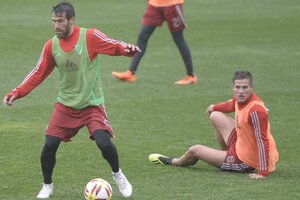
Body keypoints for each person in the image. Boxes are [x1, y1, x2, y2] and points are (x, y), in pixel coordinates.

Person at [3, 2, 140, 199]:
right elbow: (38, 73)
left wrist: (127, 50)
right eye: (53, 21)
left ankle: (118, 175)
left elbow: (113, 45)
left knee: (103, 142)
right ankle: (47, 186)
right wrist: (17, 91)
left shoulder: (89, 36)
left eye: (60, 21)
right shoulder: (52, 45)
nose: (56, 26)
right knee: (49, 145)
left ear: (71, 21)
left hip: (92, 103)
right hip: (66, 106)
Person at [149, 70, 279, 179]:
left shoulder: (256, 111)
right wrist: (214, 107)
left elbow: (263, 141)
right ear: (232, 87)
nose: (240, 91)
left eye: (245, 87)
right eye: (237, 87)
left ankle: (172, 161)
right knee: (215, 114)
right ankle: (226, 155)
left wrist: (262, 172)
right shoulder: (241, 99)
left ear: (251, 88)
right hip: (241, 145)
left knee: (194, 150)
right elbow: (230, 104)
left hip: (247, 161)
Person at [112, 0, 197, 84]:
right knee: (143, 36)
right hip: (154, 5)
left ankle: (190, 76)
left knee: (178, 38)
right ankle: (131, 72)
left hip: (173, 5)